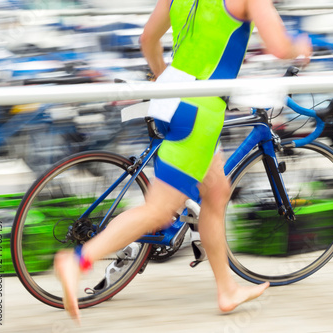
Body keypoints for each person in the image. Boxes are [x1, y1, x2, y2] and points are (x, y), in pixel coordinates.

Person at [54, 0, 312, 324]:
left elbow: (148, 38)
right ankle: (78, 261)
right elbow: (278, 46)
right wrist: (299, 45)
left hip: (171, 97)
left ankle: (227, 290)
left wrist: (163, 76)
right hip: (200, 113)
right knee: (160, 211)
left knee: (216, 192)